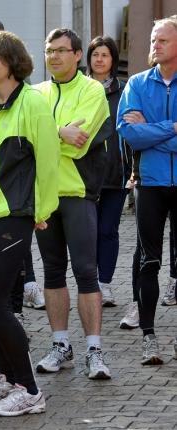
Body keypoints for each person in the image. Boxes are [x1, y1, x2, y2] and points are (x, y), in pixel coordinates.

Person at [0, 30, 59, 417]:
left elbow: (49, 161)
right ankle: (8, 377)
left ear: (13, 61)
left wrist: (43, 211)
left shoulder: (33, 104)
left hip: (13, 214)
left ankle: (30, 390)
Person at [34, 28, 112, 379]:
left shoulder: (93, 90)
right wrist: (58, 131)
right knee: (52, 272)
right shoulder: (36, 92)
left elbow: (79, 143)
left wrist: (48, 135)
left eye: (62, 51)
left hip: (78, 193)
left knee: (85, 271)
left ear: (78, 55)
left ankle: (94, 350)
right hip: (44, 197)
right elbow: (25, 141)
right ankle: (60, 345)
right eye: (49, 50)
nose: (54, 57)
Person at [117, 16, 177, 365]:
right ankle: (149, 336)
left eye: (162, 41)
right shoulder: (138, 84)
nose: (154, 46)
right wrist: (171, 128)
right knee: (148, 261)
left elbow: (144, 134)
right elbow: (129, 133)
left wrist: (153, 132)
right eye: (153, 40)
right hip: (149, 185)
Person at [87, 36, 132, 307]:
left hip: (116, 173)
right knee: (87, 231)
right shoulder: (79, 89)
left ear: (113, 60)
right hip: (85, 174)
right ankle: (89, 283)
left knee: (108, 230)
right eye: (95, 54)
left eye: (105, 55)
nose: (100, 59)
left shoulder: (125, 90)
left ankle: (105, 284)